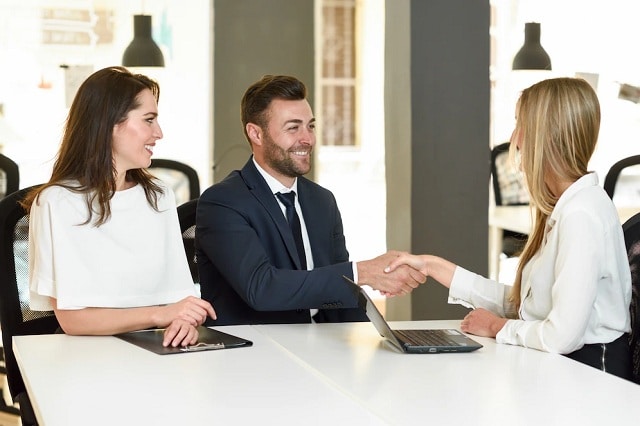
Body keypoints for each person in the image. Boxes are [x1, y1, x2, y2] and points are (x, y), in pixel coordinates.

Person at [387, 77, 632, 380]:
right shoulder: (566, 207)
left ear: (547, 135)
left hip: (592, 375)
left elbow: (562, 336)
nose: (514, 138)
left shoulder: (582, 214)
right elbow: (527, 305)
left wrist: (497, 327)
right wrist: (432, 266)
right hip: (568, 368)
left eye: (520, 124)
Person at [196, 74, 425, 325]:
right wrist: (363, 272)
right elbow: (261, 288)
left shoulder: (322, 201)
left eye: (311, 126)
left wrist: (377, 338)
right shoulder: (222, 202)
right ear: (256, 134)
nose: (308, 139)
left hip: (320, 344)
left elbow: (342, 292)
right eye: (293, 128)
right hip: (254, 350)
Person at [25, 66, 216, 348]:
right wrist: (160, 315)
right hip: (85, 357)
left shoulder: (159, 196)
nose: (159, 132)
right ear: (109, 124)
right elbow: (73, 320)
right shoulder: (57, 203)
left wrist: (183, 323)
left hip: (156, 349)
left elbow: (178, 298)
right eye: (148, 120)